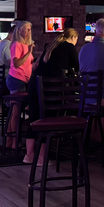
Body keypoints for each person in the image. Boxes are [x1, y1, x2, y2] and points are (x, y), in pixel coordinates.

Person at [25, 28, 79, 164]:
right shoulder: (69, 47)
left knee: (34, 117)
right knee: (47, 118)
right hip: (50, 87)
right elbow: (76, 67)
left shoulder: (51, 46)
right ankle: (42, 158)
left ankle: (29, 155)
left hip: (34, 83)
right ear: (73, 37)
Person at [5, 21, 34, 149]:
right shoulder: (17, 44)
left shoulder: (26, 45)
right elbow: (16, 63)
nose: (28, 31)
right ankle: (13, 141)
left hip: (23, 79)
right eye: (26, 29)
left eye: (29, 29)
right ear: (19, 30)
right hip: (16, 79)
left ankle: (11, 140)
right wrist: (28, 53)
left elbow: (28, 64)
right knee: (16, 112)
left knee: (16, 112)